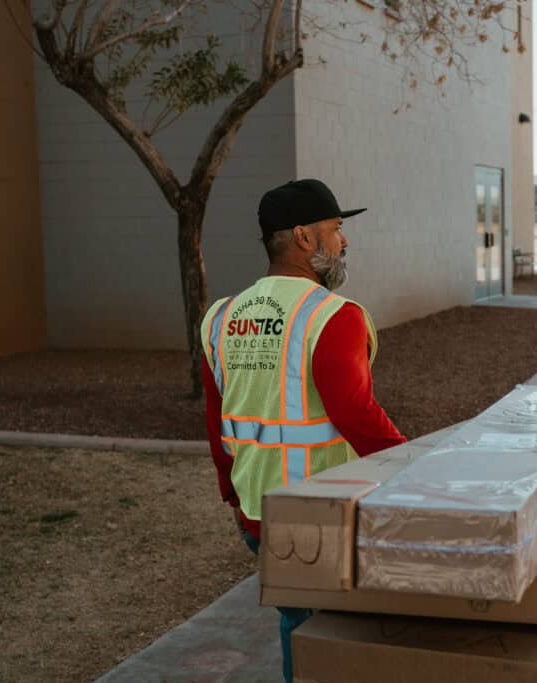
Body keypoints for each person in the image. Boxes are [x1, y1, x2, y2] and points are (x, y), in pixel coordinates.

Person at [199, 178, 406, 683]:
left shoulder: (221, 318)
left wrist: (234, 499)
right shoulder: (333, 317)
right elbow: (358, 416)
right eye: (336, 229)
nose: (345, 241)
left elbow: (217, 424)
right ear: (304, 238)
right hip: (327, 516)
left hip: (260, 513)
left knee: (300, 627)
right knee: (339, 640)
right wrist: (421, 470)